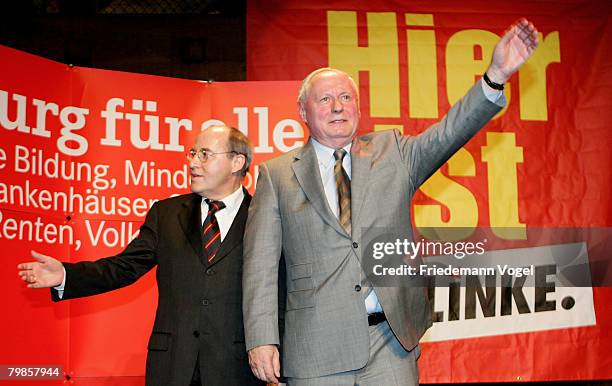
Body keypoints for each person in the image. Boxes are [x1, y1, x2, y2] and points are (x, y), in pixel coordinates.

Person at [243, 19, 539, 385]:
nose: (337, 106)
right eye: (325, 99)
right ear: (303, 112)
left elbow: (449, 133)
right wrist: (261, 338)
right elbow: (259, 266)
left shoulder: (393, 152)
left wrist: (495, 75)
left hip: (391, 345)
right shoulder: (276, 175)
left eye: (346, 97)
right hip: (316, 347)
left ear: (358, 106)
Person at [18, 125, 265, 386]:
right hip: (172, 366)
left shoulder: (263, 216)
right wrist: (66, 275)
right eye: (192, 153)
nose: (193, 162)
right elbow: (124, 266)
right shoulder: (166, 214)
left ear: (237, 161)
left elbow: (279, 291)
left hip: (238, 367)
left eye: (205, 154)